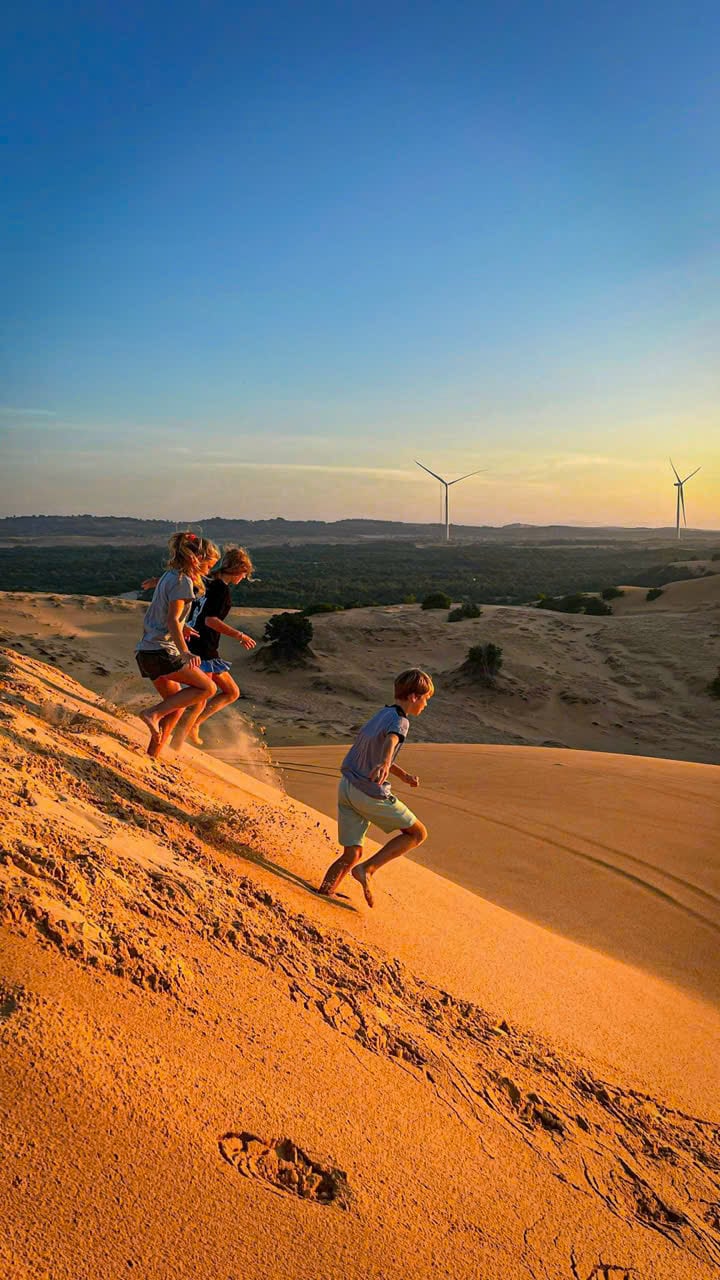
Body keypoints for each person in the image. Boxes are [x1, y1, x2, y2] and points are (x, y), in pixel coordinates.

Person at [318, 668, 433, 908]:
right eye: (426, 699)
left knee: (351, 853)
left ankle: (325, 891)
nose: (425, 705)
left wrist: (402, 775)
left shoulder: (382, 713)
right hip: (368, 794)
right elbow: (391, 741)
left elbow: (378, 749)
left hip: (347, 788)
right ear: (413, 697)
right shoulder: (401, 721)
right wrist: (384, 762)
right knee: (417, 834)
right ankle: (367, 870)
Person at [135, 531, 215, 756]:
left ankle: (153, 756)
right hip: (162, 652)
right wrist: (185, 652)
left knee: (175, 707)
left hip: (146, 652)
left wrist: (183, 625)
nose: (209, 570)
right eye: (208, 565)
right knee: (207, 687)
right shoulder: (184, 582)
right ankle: (152, 714)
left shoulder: (170, 576)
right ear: (196, 560)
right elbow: (171, 620)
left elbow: (170, 617)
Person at [184, 545, 257, 745]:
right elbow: (211, 621)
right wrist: (240, 635)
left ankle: (194, 724)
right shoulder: (221, 590)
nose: (243, 578)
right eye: (244, 574)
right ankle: (177, 739)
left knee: (231, 692)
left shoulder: (206, 580)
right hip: (202, 646)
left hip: (199, 643)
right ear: (237, 571)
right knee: (201, 696)